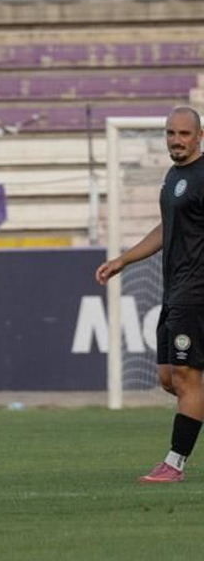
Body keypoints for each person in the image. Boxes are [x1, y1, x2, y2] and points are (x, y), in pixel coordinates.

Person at [96, 105, 204, 483]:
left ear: (199, 136)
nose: (176, 140)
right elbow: (166, 227)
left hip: (196, 292)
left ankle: (174, 463)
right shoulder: (174, 175)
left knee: (187, 375)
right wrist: (124, 260)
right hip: (174, 288)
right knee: (168, 379)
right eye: (171, 133)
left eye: (184, 134)